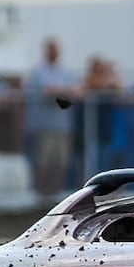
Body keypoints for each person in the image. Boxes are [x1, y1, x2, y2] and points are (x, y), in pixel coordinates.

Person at [24, 38, 77, 197]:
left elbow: (75, 94)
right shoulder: (38, 71)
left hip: (62, 127)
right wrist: (63, 93)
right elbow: (47, 92)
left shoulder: (64, 72)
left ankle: (55, 193)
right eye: (51, 49)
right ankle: (40, 194)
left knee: (60, 161)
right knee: (43, 162)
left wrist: (60, 93)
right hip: (43, 127)